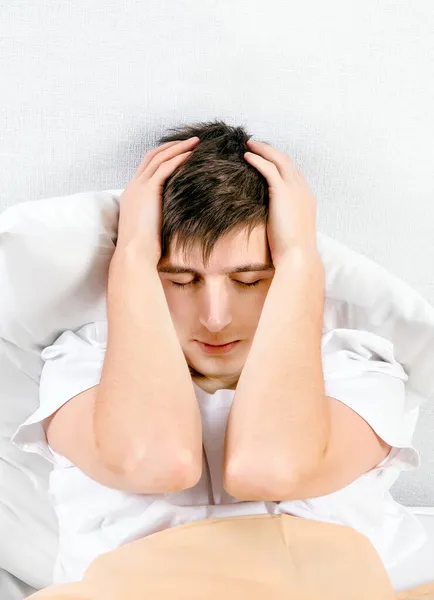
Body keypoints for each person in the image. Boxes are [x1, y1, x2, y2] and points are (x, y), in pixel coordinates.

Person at [11, 119, 426, 585]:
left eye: (250, 281)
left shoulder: (353, 365)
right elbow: (156, 461)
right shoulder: (85, 363)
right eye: (180, 280)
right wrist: (130, 255)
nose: (215, 317)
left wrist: (299, 257)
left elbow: (270, 470)